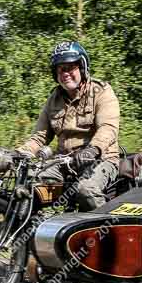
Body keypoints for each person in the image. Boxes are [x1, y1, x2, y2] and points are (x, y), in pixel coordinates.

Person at [16, 41, 120, 211]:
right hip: (65, 161)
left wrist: (93, 149)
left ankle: (108, 232)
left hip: (101, 159)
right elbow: (40, 136)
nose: (65, 73)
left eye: (70, 67)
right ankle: (31, 231)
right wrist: (19, 153)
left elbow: (108, 128)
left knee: (85, 189)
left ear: (82, 68)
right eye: (60, 69)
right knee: (28, 182)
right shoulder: (53, 99)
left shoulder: (101, 91)